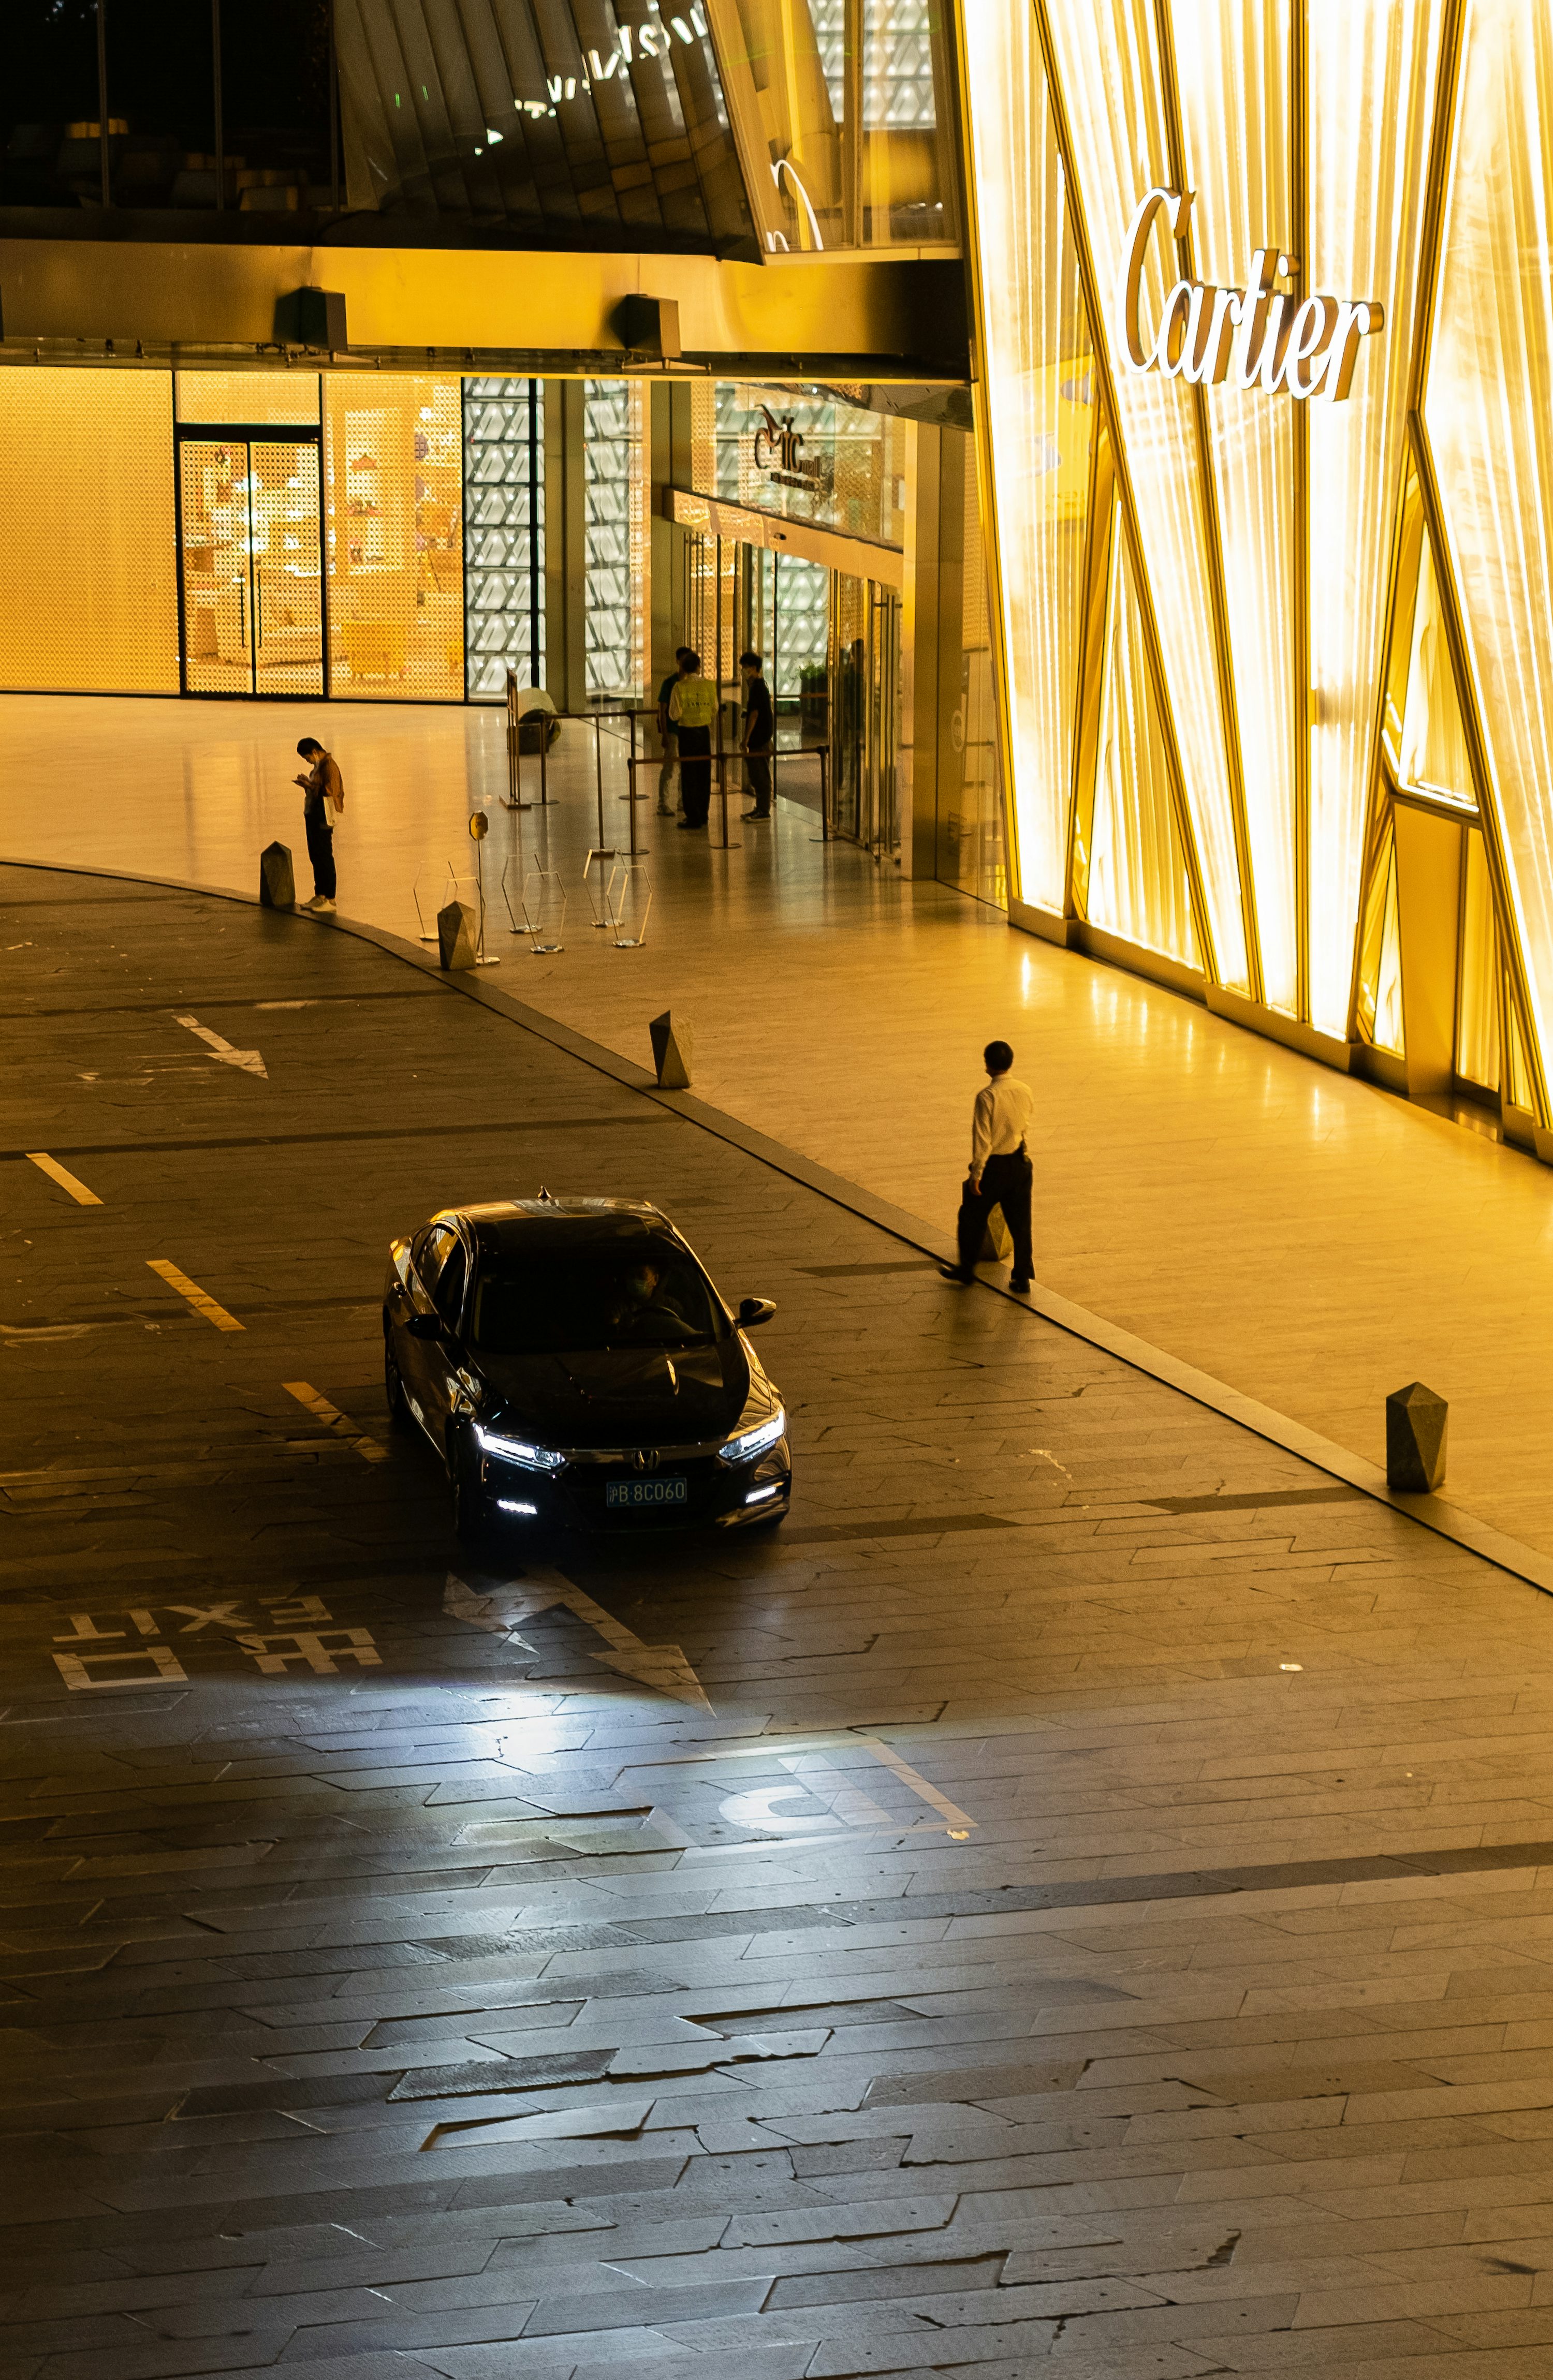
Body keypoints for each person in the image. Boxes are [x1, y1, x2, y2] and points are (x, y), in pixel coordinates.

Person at [941, 1039, 1035, 1293]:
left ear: (988, 1066)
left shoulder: (987, 1096)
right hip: (1021, 1163)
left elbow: (983, 1140)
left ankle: (967, 1270)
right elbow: (1025, 1124)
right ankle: (1022, 1277)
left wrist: (976, 1175)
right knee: (1021, 1223)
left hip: (995, 1168)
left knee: (971, 1216)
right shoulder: (1025, 1089)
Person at [668, 649, 718, 830]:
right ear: (699, 666)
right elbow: (715, 709)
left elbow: (674, 715)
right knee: (705, 774)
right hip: (704, 733)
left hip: (687, 733)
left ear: (683, 667)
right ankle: (704, 814)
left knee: (689, 775)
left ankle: (693, 817)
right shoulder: (710, 686)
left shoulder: (679, 687)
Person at [293, 736, 344, 913]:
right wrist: (308, 783)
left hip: (323, 818)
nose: (308, 761)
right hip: (314, 816)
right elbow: (319, 787)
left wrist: (309, 784)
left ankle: (330, 898)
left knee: (324, 857)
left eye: (307, 758)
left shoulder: (329, 766)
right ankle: (320, 895)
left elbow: (331, 791)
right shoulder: (320, 766)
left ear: (314, 752)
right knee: (316, 856)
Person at [655, 646, 692, 817]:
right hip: (673, 730)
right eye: (683, 660)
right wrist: (664, 734)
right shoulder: (669, 683)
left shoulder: (691, 683)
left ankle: (682, 802)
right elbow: (662, 710)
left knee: (685, 769)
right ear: (678, 661)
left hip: (686, 730)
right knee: (669, 768)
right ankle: (663, 803)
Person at [739, 647, 774, 820]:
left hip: (759, 738)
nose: (744, 672)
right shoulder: (761, 686)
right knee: (756, 774)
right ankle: (760, 807)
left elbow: (755, 714)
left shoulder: (758, 688)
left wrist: (745, 739)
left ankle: (764, 810)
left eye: (746, 667)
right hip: (762, 737)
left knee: (761, 775)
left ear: (754, 668)